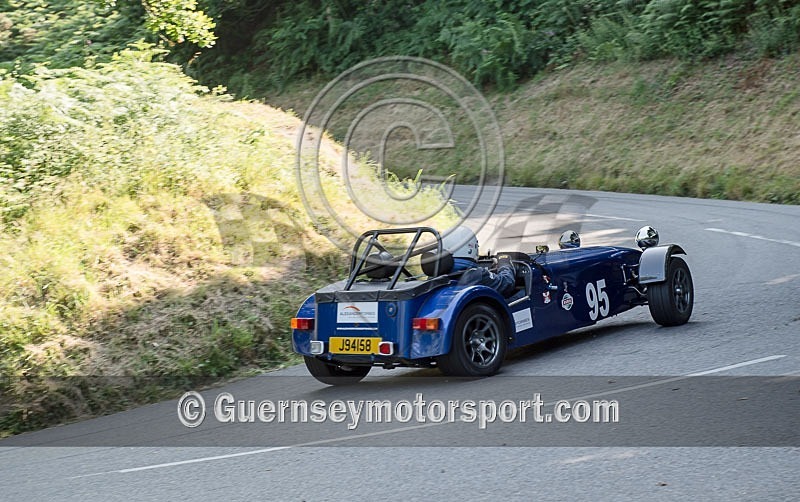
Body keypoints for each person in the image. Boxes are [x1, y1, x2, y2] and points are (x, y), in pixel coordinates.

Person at [442, 227, 518, 298]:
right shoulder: (476, 274)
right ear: (471, 248)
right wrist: (504, 263)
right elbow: (507, 283)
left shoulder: (437, 275)